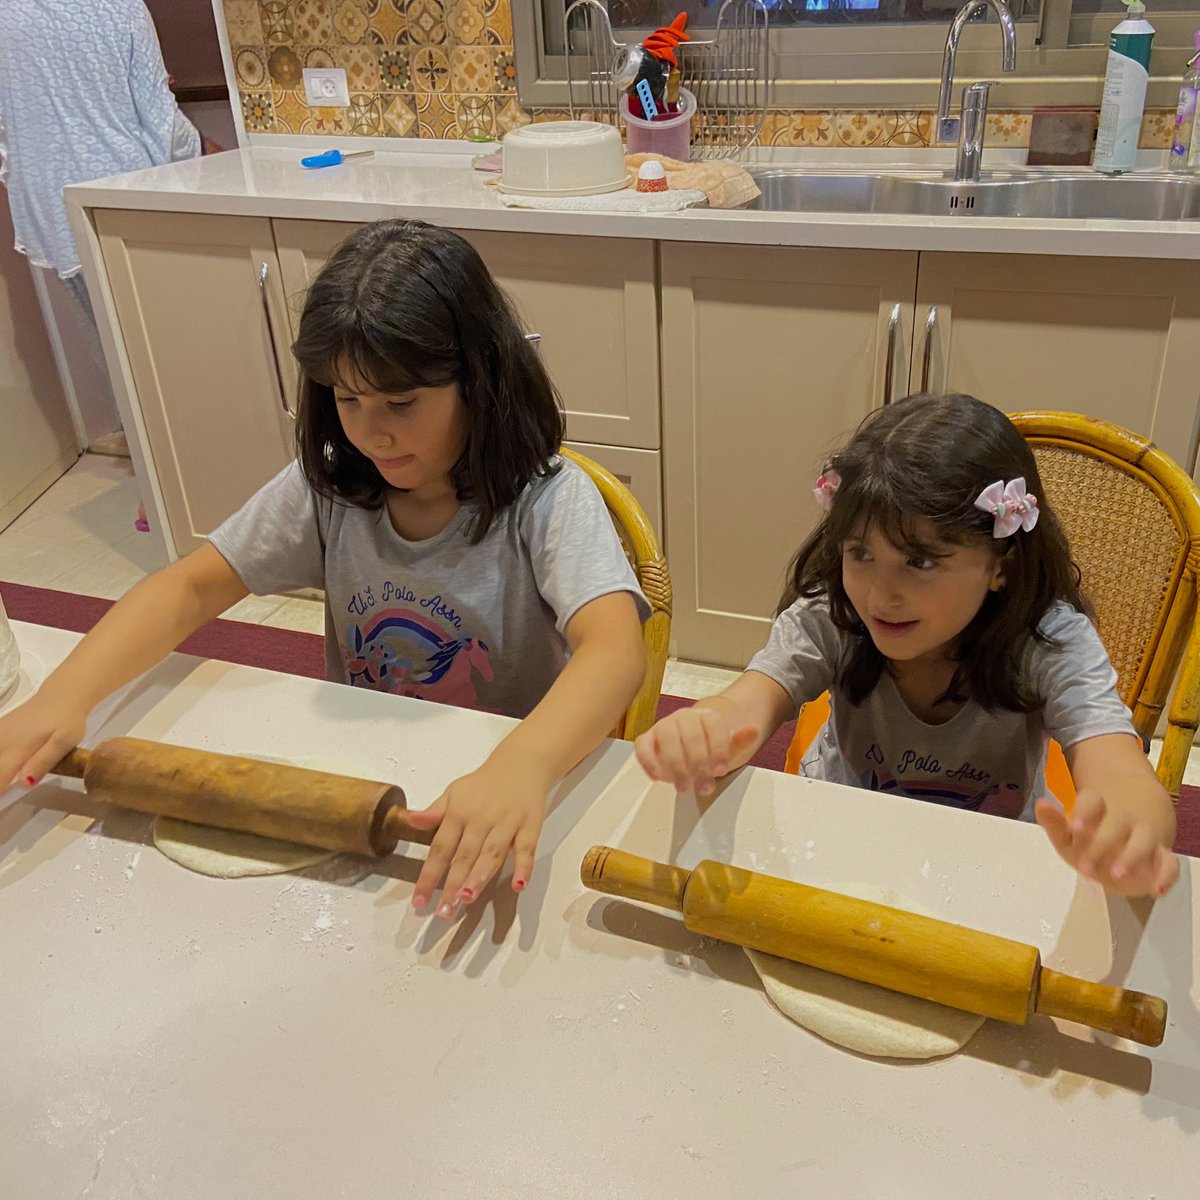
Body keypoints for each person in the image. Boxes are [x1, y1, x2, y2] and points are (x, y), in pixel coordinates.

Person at [0, 219, 649, 917]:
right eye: (347, 400)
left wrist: (524, 762)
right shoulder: (329, 486)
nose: (372, 432)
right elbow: (188, 588)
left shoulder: (548, 499)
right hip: (357, 782)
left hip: (497, 786)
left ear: (479, 380)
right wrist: (62, 698)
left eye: (402, 403)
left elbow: (615, 652)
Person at [635, 393, 1178, 899]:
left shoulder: (1047, 638)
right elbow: (747, 702)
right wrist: (706, 729)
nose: (880, 594)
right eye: (860, 554)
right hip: (836, 835)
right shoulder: (834, 615)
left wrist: (1132, 826)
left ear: (1001, 564)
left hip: (988, 861)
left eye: (920, 562)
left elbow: (1118, 766)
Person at [0, 0, 205, 456]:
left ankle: (148, 470)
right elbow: (163, 126)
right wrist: (210, 152)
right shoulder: (122, 9)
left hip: (50, 205)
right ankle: (177, 477)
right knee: (161, 350)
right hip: (124, 200)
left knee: (114, 349)